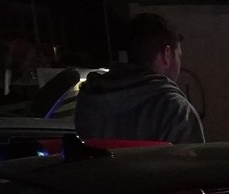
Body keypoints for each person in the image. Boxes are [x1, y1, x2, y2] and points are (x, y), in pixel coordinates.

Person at [75, 13, 204, 144]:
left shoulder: (89, 100)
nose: (179, 64)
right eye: (178, 56)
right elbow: (191, 157)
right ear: (166, 54)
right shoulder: (176, 110)